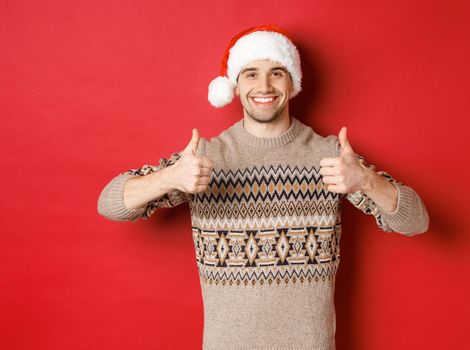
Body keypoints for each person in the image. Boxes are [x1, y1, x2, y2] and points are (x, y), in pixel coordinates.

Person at [97, 24, 429, 350]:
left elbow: (416, 221)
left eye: (277, 72)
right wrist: (169, 177)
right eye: (251, 73)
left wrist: (366, 181)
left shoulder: (331, 156)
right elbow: (110, 203)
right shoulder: (204, 158)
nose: (264, 85)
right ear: (236, 87)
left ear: (293, 83)